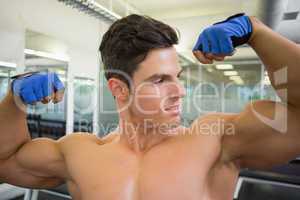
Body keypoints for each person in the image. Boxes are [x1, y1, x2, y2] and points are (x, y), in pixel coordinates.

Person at [0, 13, 300, 200]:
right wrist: (14, 100)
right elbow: (5, 163)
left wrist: (256, 31)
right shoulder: (80, 153)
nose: (180, 91)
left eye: (177, 78)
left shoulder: (216, 142)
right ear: (119, 89)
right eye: (159, 80)